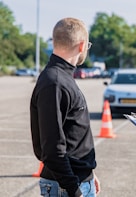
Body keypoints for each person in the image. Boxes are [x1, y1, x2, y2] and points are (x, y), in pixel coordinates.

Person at [30, 17, 100, 197]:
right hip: (65, 187)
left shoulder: (62, 78)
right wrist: (74, 190)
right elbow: (52, 149)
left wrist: (89, 174)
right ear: (82, 45)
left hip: (78, 180)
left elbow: (72, 135)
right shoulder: (55, 83)